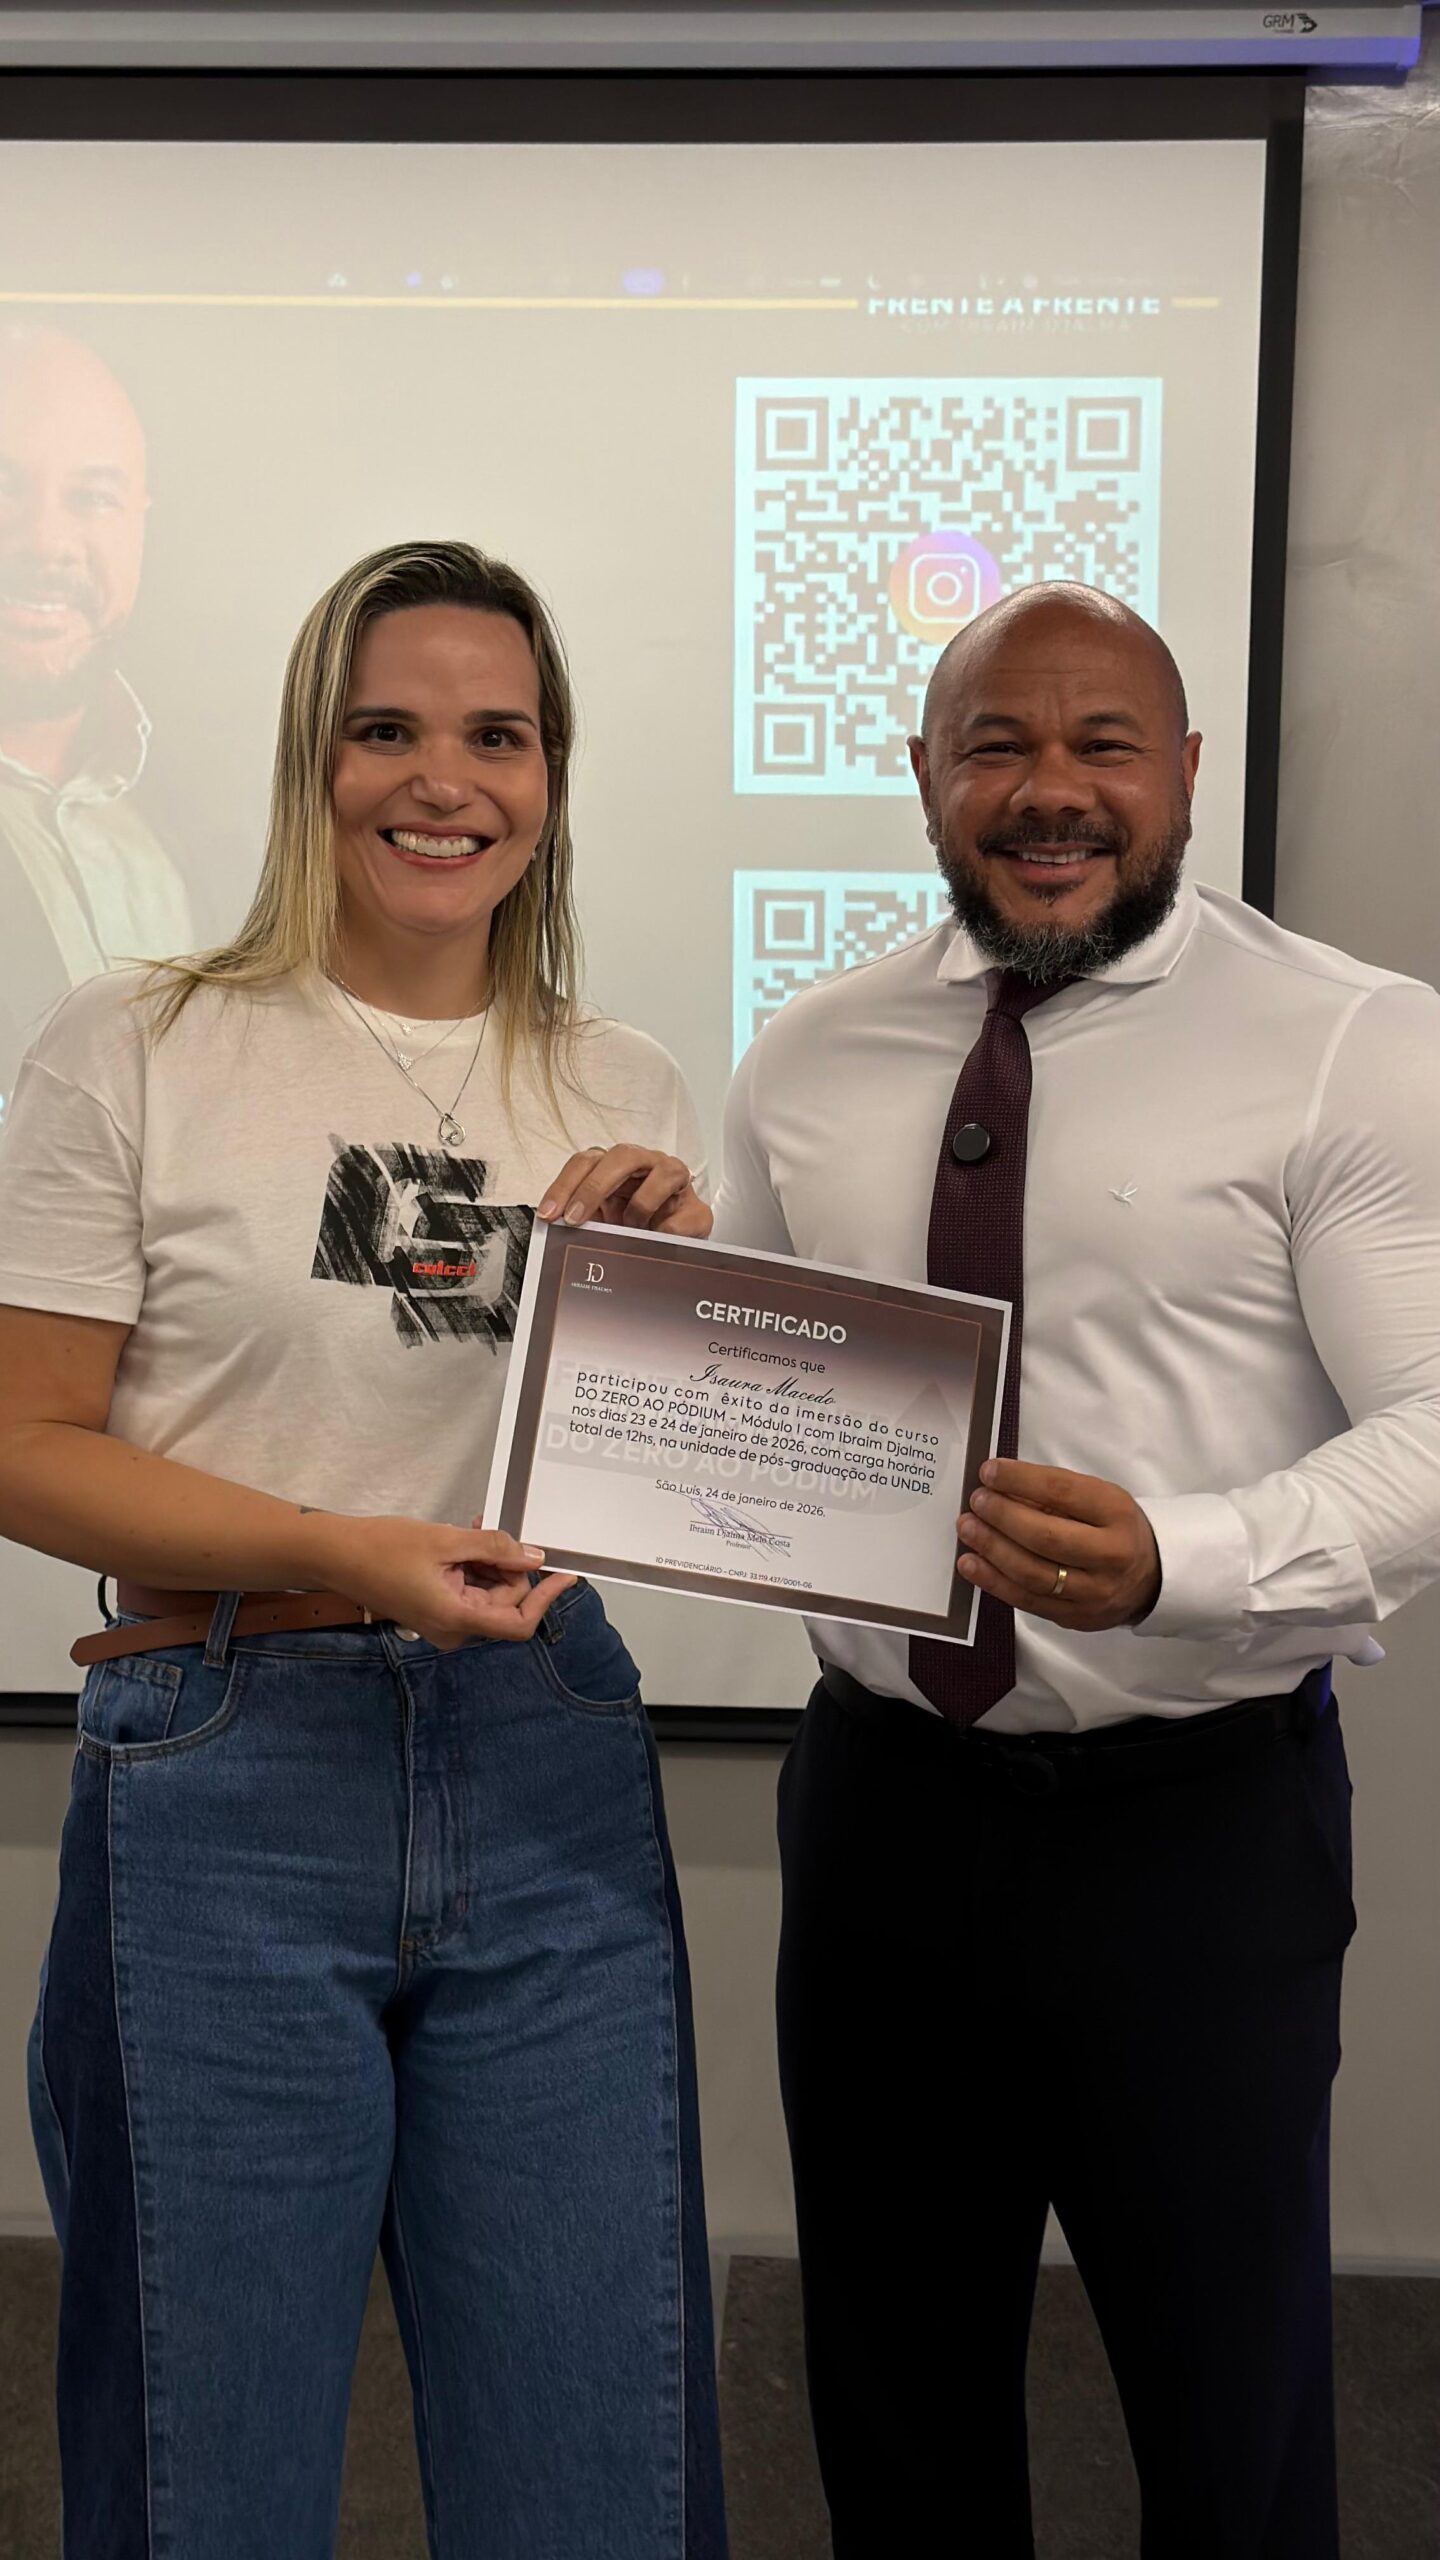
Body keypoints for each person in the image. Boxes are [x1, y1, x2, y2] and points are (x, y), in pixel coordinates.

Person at [0, 540, 727, 2559]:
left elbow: (650, 1480)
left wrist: (686, 1302)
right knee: (205, 2466)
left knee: (595, 2459)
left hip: (542, 1752)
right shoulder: (138, 1040)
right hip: (228, 1760)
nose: (444, 779)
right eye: (386, 727)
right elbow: (23, 1448)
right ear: (309, 757)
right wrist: (344, 1550)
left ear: (552, 775)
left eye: (499, 735)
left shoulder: (626, 1085)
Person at [700, 580, 1440, 2557]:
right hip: (881, 1813)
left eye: (1104, 744)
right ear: (924, 778)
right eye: (998, 747)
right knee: (897, 2408)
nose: (1052, 790)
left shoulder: (1353, 1045)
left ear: (1185, 769)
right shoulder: (810, 1050)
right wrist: (623, 1282)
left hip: (1192, 1834)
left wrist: (1180, 1557)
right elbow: (746, 1387)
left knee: (1231, 2423)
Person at [0, 323, 192, 1103]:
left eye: (93, 498)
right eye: (4, 486)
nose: (46, 540)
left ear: (141, 523)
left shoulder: (234, 818)